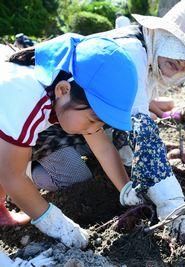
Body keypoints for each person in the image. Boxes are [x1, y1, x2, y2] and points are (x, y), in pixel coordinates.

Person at [29, 0, 185, 245]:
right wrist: (171, 204)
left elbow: (130, 126)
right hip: (48, 128)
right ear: (161, 32)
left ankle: (106, 169)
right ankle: (25, 170)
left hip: (86, 125)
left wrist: (128, 185)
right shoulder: (133, 52)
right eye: (180, 49)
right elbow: (142, 135)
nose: (182, 64)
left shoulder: (148, 52)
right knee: (73, 175)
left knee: (118, 147)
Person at [1, 33, 139, 248]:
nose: (95, 129)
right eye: (94, 119)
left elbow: (103, 148)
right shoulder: (27, 99)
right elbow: (11, 176)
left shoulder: (57, 88)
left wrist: (127, 190)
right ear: (64, 89)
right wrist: (58, 225)